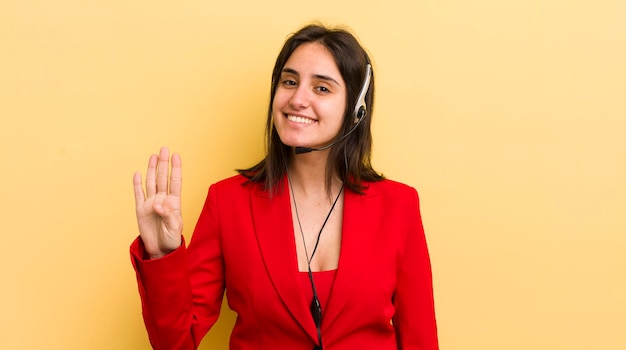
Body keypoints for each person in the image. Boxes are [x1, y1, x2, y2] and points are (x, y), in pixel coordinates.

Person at [131, 23, 438, 350]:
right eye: (289, 82)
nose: (297, 99)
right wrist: (162, 255)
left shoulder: (399, 205)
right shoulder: (227, 202)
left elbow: (420, 339)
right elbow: (176, 342)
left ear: (356, 110)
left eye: (322, 88)